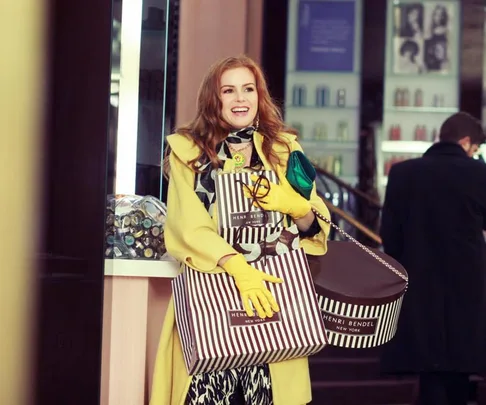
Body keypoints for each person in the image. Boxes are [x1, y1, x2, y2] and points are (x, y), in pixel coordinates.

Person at [150, 55, 331, 405]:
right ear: (212, 99)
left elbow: (314, 226)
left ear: (259, 96)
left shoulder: (285, 150)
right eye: (228, 90)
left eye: (248, 89)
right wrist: (236, 266)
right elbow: (187, 224)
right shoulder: (187, 152)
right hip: (213, 297)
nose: (240, 99)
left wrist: (297, 206)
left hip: (274, 302)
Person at [380, 112, 486, 405]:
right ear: (466, 141)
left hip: (419, 284)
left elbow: (390, 234)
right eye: (475, 148)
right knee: (461, 363)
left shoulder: (403, 173)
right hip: (468, 286)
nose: (475, 154)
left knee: (429, 369)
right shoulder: (480, 174)